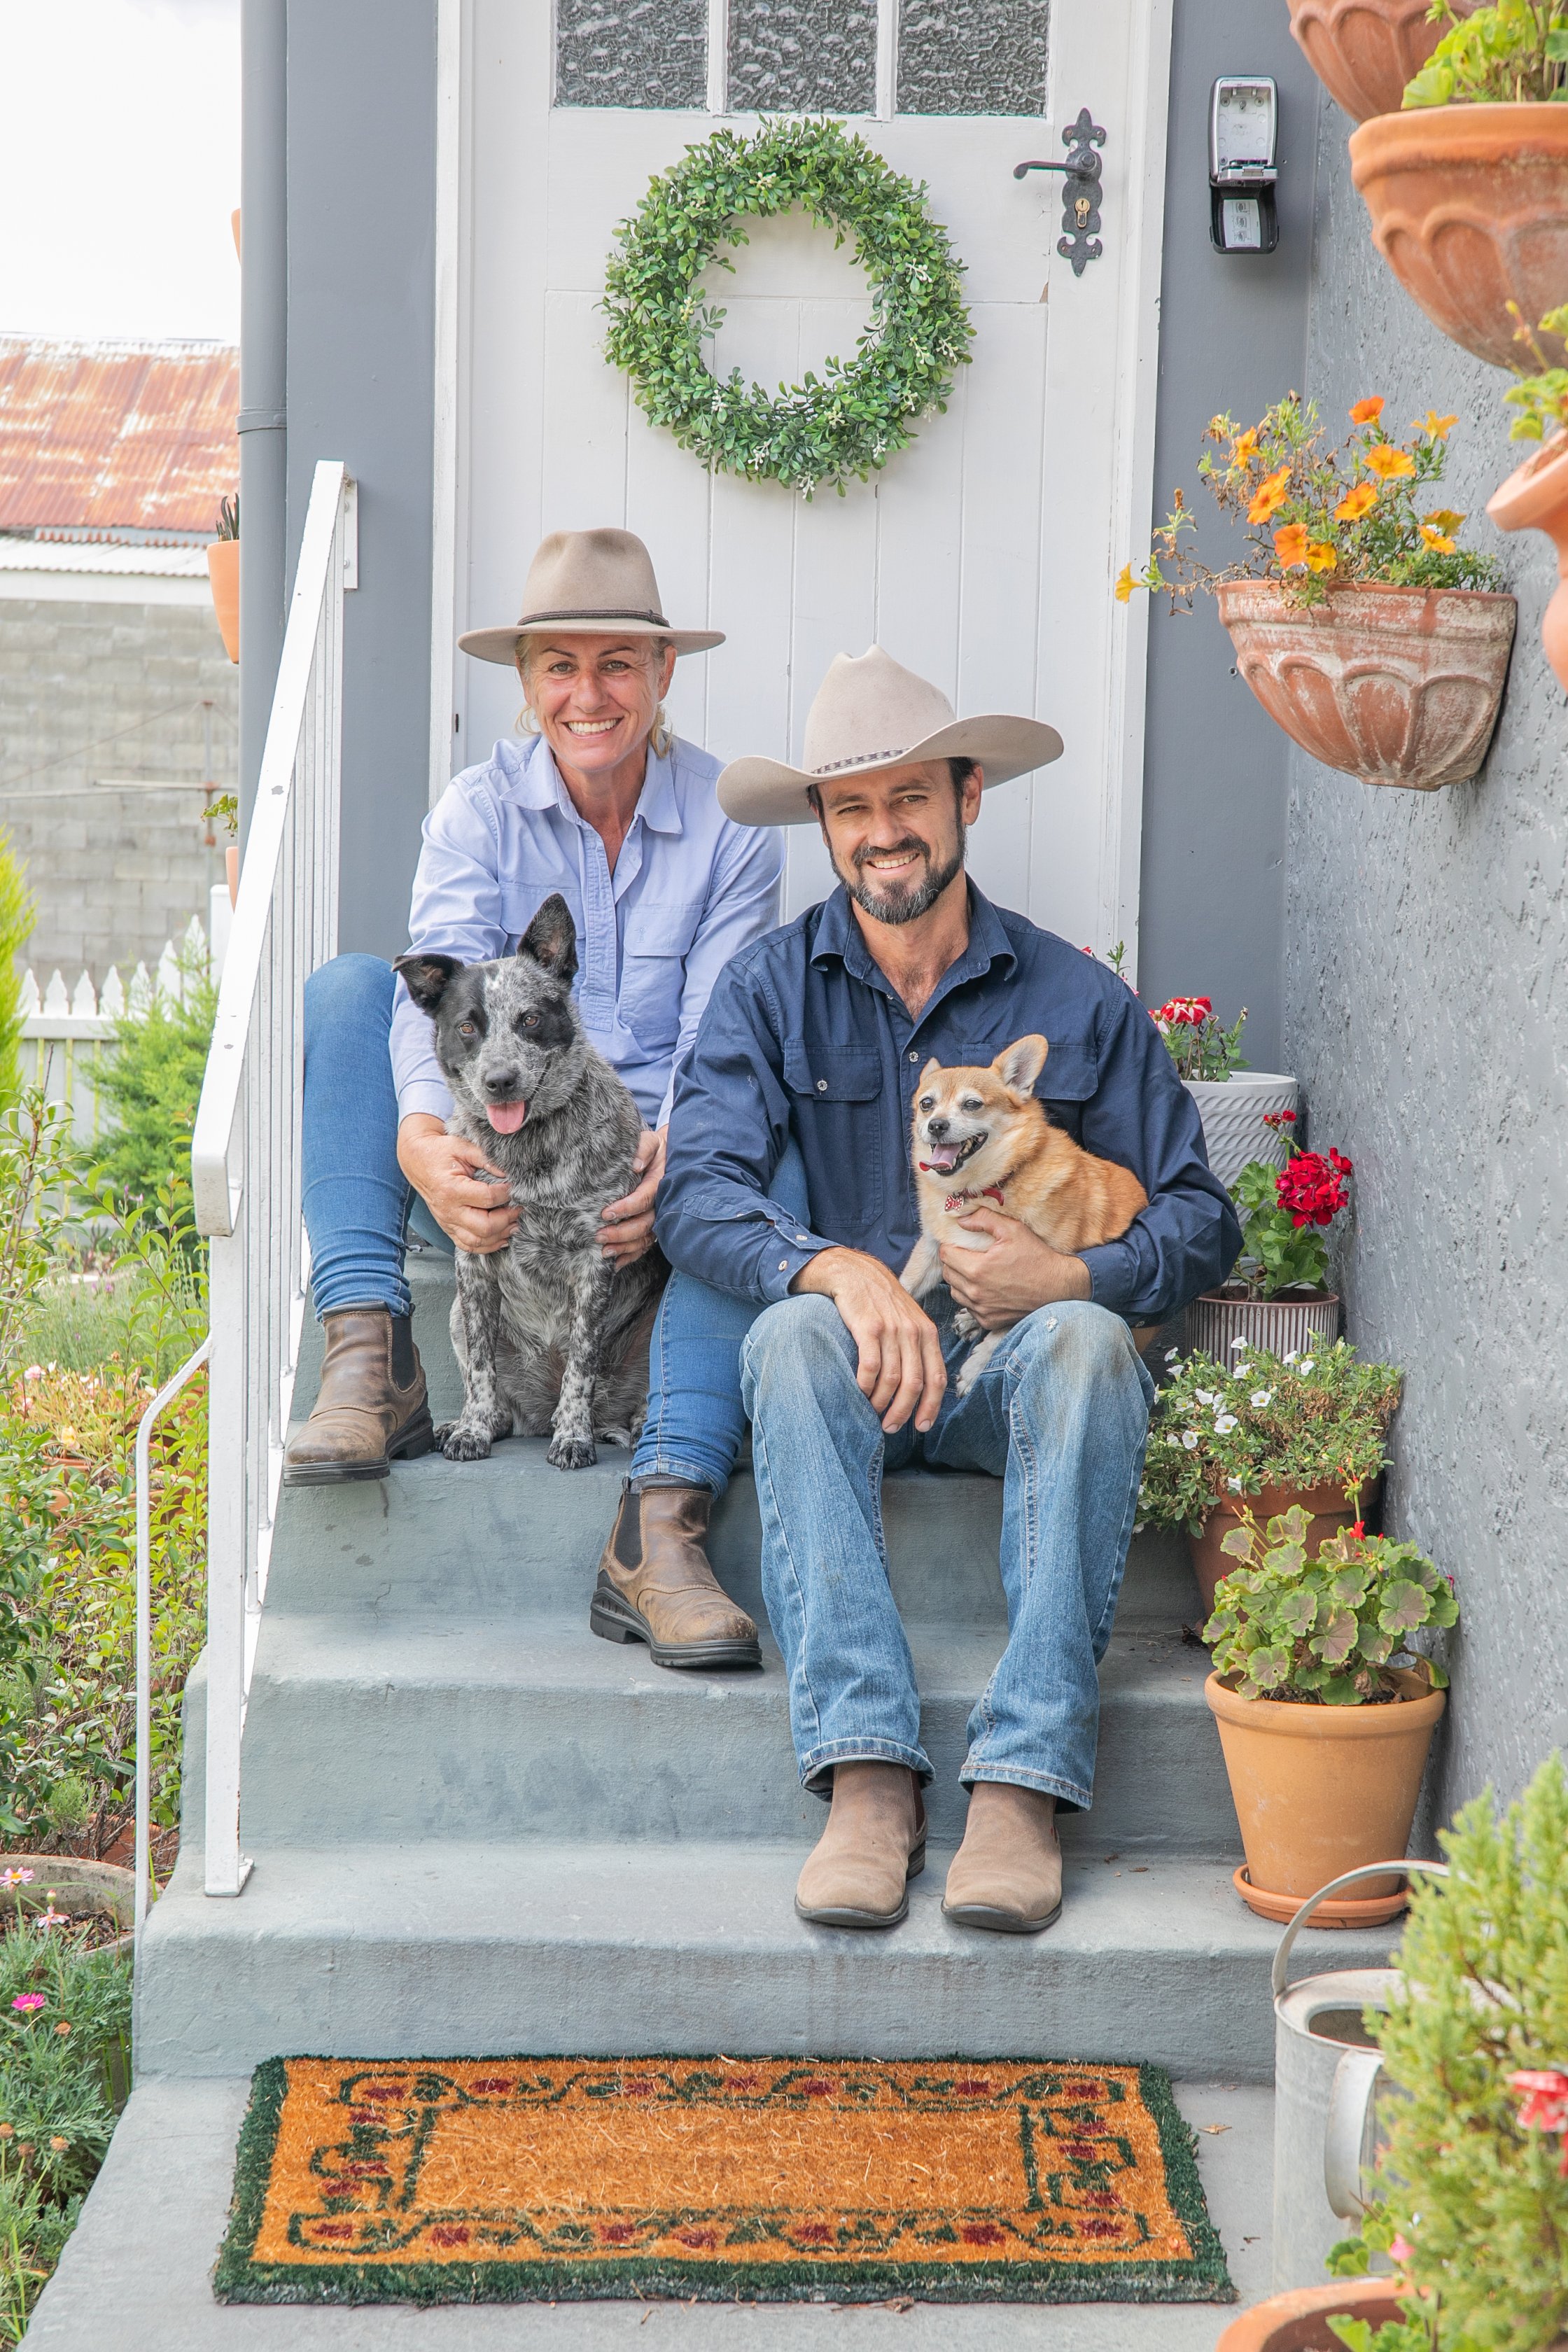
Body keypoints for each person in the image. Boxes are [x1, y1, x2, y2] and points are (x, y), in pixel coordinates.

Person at [649, 645, 1242, 1934]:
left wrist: (1073, 1272)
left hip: (1001, 1386)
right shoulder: (768, 990)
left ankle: (1023, 1787)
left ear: (969, 796)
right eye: (851, 806)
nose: (882, 832)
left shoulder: (1076, 1000)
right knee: (796, 1325)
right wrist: (840, 1264)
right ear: (822, 823)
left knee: (1090, 1339)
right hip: (847, 1385)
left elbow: (1205, 1216)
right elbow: (696, 1194)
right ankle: (866, 1777)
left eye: (908, 796)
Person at [285, 528, 780, 1670]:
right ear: (525, 684)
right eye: (559, 665)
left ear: (663, 676)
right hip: (484, 1183)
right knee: (351, 988)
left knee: (762, 1140)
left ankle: (664, 1505)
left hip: (638, 1185)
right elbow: (433, 1000)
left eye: (617, 663)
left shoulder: (729, 824)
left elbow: (723, 1036)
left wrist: (682, 1164)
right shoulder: (474, 811)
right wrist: (421, 1147)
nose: (588, 693)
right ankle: (372, 1358)